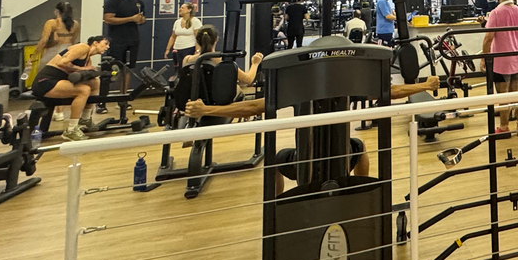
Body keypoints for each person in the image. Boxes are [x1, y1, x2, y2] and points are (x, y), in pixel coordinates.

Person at [184, 75, 440, 191]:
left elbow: (253, 107)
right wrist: (425, 85)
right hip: (340, 159)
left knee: (274, 160)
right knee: (359, 147)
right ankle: (358, 193)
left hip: (302, 163)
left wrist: (206, 109)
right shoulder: (345, 87)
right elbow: (390, 92)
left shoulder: (298, 90)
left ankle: (277, 205)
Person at [29, 37, 109, 141]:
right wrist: (82, 69)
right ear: (95, 43)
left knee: (94, 83)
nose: (108, 47)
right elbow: (62, 63)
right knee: (83, 90)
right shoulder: (83, 47)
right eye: (105, 43)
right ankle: (71, 130)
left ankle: (85, 119)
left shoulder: (88, 59)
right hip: (45, 82)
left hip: (58, 81)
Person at [481, 0, 518, 134]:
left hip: (501, 61)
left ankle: (504, 127)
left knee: (503, 95)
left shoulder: (496, 13)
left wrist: (483, 59)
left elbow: (488, 38)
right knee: (517, 91)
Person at [182, 25, 262, 87]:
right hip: (218, 100)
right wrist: (255, 63)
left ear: (197, 40)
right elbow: (247, 80)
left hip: (192, 100)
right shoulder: (223, 61)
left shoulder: (187, 60)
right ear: (216, 39)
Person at [103, 0, 145, 66]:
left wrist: (141, 20)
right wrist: (131, 19)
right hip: (117, 40)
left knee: (130, 66)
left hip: (133, 39)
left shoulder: (139, 2)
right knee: (116, 66)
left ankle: (127, 76)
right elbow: (108, 19)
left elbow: (142, 18)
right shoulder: (114, 1)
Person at [34, 1, 80, 66]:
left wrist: (35, 54)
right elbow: (73, 40)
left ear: (56, 11)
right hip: (69, 50)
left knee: (43, 68)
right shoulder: (76, 24)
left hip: (55, 50)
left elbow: (44, 40)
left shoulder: (52, 23)